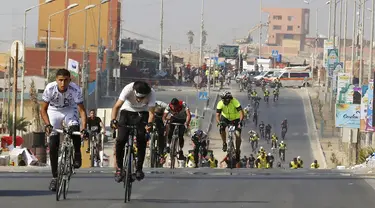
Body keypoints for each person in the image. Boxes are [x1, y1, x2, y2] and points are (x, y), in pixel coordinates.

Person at [41, 69, 88, 191]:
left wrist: (84, 128)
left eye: (65, 80)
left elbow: (82, 111)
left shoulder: (75, 89)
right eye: (60, 80)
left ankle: (77, 153)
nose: (63, 83)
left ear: (69, 80)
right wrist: (47, 125)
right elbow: (43, 110)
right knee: (53, 143)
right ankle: (55, 177)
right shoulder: (50, 88)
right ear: (56, 80)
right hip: (53, 111)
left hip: (69, 109)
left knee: (74, 129)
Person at [110, 81, 156, 182]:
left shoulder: (152, 93)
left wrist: (149, 124)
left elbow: (151, 113)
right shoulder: (128, 88)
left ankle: (139, 169)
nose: (139, 100)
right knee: (121, 140)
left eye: (142, 98)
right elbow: (116, 107)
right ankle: (119, 169)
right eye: (138, 97)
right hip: (127, 111)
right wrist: (113, 120)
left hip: (142, 113)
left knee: (141, 140)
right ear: (134, 92)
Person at [216, 91, 244, 163]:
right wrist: (219, 122)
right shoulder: (220, 103)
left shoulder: (235, 101)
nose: (224, 101)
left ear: (230, 98)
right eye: (223, 99)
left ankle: (237, 150)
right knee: (222, 128)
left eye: (226, 99)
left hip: (236, 119)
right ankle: (224, 143)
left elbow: (241, 113)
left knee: (237, 135)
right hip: (225, 118)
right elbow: (217, 115)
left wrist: (240, 121)